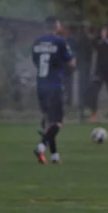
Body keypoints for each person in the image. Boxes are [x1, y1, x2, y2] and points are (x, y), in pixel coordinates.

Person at [31, 17, 75, 164]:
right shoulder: (60, 42)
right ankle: (41, 147)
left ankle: (55, 157)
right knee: (58, 123)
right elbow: (72, 62)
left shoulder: (36, 42)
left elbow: (35, 62)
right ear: (56, 26)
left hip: (40, 86)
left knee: (50, 123)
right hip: (54, 86)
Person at [89, 25, 108, 121]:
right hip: (99, 71)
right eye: (102, 31)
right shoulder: (98, 42)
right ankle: (93, 113)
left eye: (105, 31)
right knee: (95, 92)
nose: (104, 33)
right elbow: (93, 44)